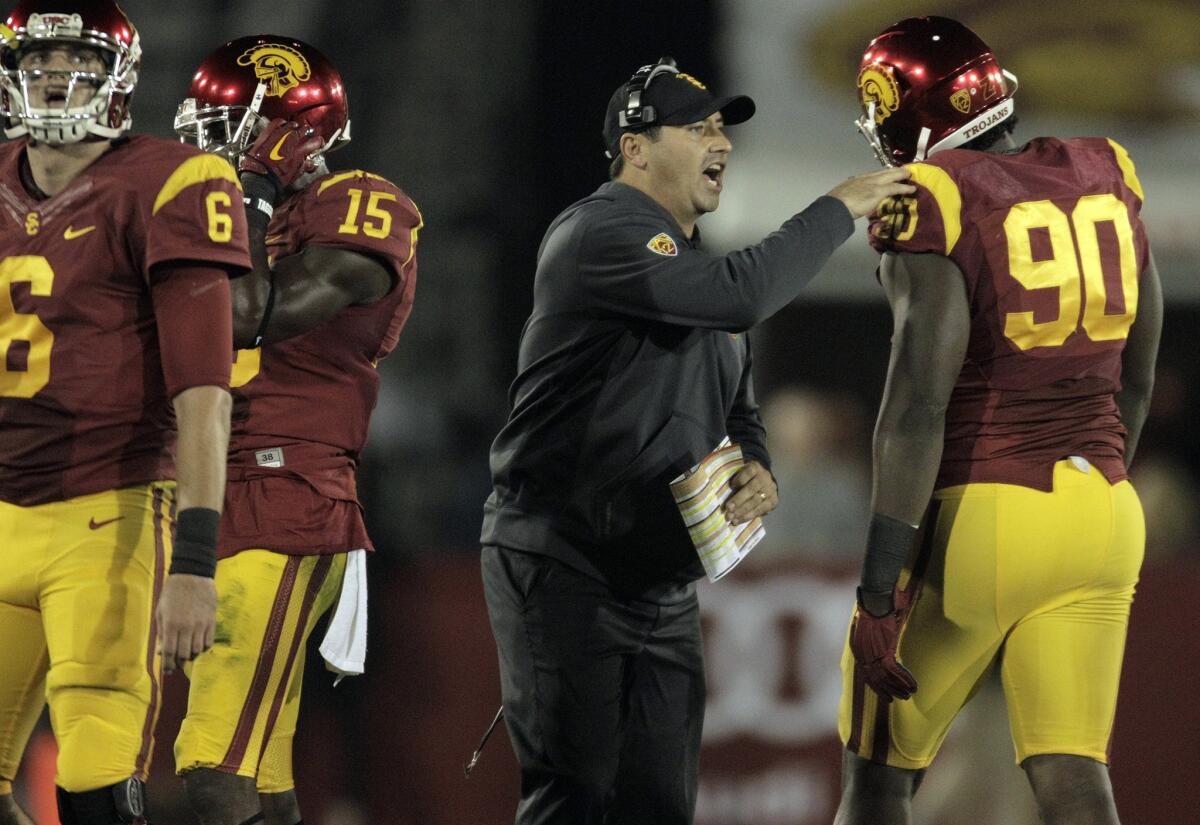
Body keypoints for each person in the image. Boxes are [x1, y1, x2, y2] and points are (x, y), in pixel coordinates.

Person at [480, 57, 913, 824]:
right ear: (634, 148)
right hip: (564, 561)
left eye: (723, 127)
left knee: (659, 806)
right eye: (698, 126)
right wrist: (835, 207)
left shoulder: (689, 269)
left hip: (657, 583)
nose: (722, 141)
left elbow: (736, 409)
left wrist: (757, 465)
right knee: (574, 799)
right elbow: (742, 295)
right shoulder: (600, 229)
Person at [835, 17, 1161, 825]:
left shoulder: (938, 196)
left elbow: (915, 408)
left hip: (987, 516)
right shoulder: (1107, 169)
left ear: (904, 113)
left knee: (879, 778)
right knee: (1074, 777)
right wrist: (1095, 477)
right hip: (1107, 512)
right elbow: (1139, 376)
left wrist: (881, 593)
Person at [0, 1, 250, 823]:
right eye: (37, 61)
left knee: (97, 779)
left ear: (116, 77)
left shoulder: (170, 182)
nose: (51, 76)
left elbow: (205, 391)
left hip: (105, 513)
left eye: (73, 57)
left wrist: (197, 559)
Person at [172, 35, 421, 825]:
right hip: (214, 487)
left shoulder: (361, 203)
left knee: (211, 767)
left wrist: (252, 188)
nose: (211, 145)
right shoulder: (234, 212)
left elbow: (245, 314)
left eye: (229, 127)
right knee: (262, 774)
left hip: (286, 491)